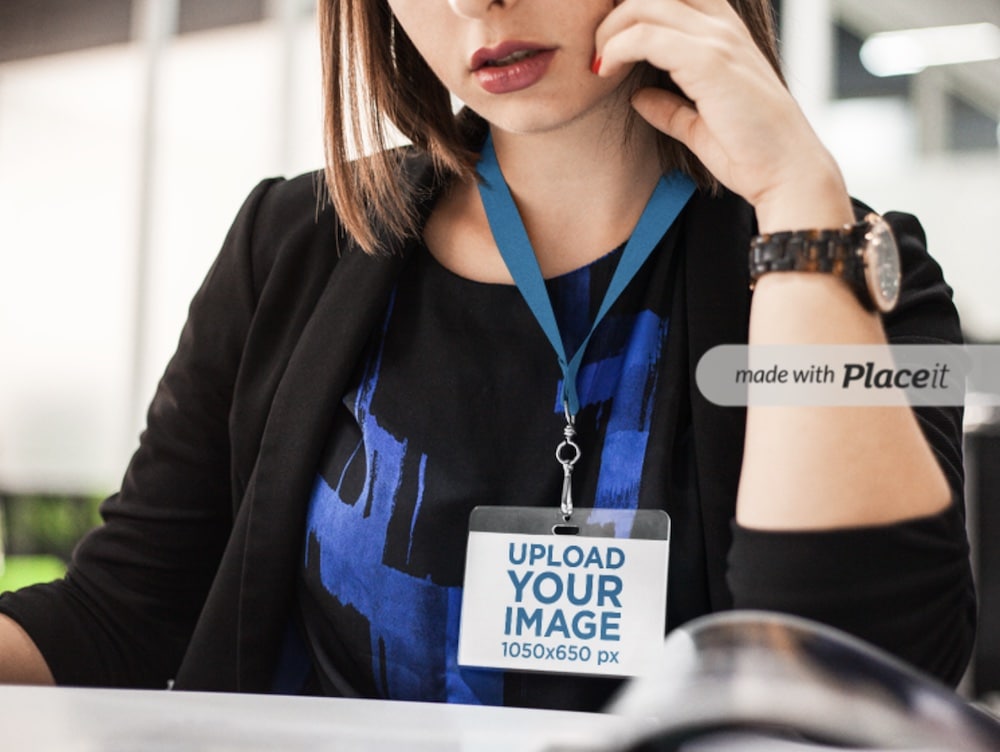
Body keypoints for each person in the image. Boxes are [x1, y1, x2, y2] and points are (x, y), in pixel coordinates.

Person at [0, 0, 975, 711]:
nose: (476, 3)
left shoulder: (853, 268)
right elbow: (122, 608)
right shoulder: (298, 240)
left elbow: (860, 681)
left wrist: (797, 205)